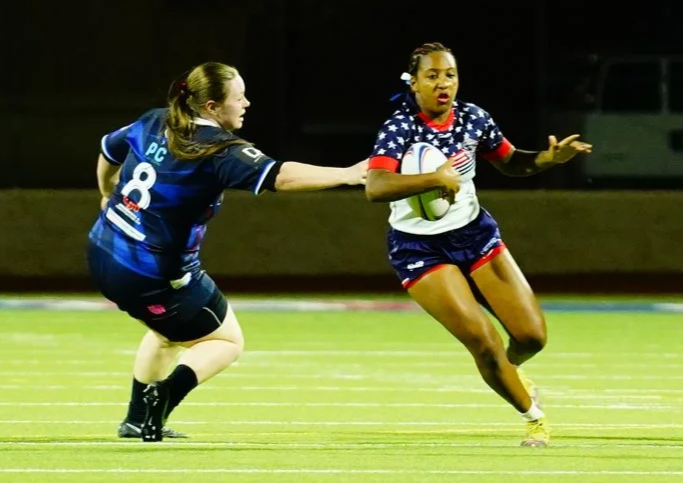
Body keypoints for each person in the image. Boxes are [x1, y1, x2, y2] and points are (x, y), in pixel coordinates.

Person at [87, 61, 368, 442]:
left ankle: (137, 418)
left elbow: (109, 151)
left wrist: (107, 193)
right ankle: (164, 396)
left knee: (168, 330)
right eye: (239, 97)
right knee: (225, 341)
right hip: (150, 274)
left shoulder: (155, 120)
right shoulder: (220, 150)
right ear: (212, 108)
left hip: (102, 250)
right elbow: (279, 176)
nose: (247, 103)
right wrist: (347, 173)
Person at [365, 42, 592, 447]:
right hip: (419, 249)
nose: (442, 83)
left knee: (531, 337)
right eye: (431, 76)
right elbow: (376, 186)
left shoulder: (473, 118)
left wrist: (547, 159)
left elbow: (509, 161)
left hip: (475, 235)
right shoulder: (399, 127)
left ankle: (514, 372)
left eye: (449, 74)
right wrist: (434, 179)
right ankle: (533, 417)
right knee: (483, 340)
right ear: (413, 83)